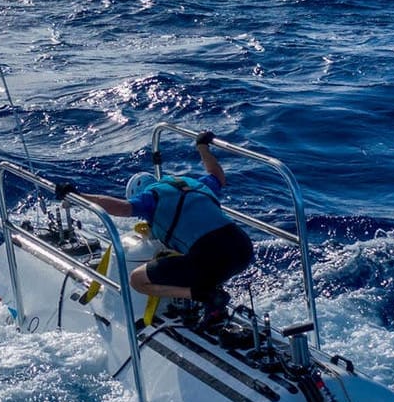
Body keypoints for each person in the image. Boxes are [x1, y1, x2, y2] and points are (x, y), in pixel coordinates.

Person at [55, 131, 253, 320]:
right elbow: (218, 175)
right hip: (243, 248)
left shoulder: (151, 199)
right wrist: (202, 147)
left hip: (210, 257)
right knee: (206, 262)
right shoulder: (193, 184)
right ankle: (213, 306)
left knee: (137, 280)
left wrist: (78, 197)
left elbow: (122, 208)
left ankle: (204, 296)